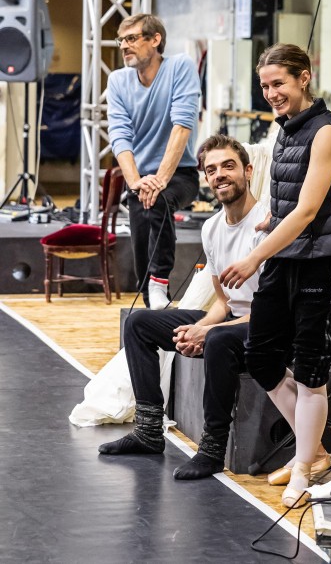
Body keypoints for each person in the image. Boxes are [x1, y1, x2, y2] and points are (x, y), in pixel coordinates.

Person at [220, 43, 331, 508]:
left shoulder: (326, 132)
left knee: (310, 370)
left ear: (304, 77)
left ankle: (304, 465)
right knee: (261, 358)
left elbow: (307, 211)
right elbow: (290, 204)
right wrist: (270, 219)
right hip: (288, 258)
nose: (271, 93)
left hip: (322, 262)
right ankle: (316, 451)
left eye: (278, 83)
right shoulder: (285, 130)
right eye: (264, 86)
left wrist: (253, 257)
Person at [98, 135, 267, 479]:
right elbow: (224, 302)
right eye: (212, 169)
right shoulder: (212, 228)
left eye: (229, 166)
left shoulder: (267, 223)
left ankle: (212, 449)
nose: (220, 174)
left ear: (248, 171)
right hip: (235, 319)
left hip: (267, 325)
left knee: (219, 341)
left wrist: (210, 331)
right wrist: (202, 325)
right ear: (205, 179)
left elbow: (269, 309)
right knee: (139, 324)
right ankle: (148, 431)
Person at [107, 13, 200, 310]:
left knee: (157, 201)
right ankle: (150, 300)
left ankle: (159, 282)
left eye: (131, 38)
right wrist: (136, 182)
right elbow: (120, 136)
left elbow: (182, 125)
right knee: (141, 232)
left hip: (180, 175)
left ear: (155, 40)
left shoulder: (180, 66)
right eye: (121, 40)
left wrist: (159, 180)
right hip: (141, 178)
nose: (124, 46)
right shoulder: (118, 80)